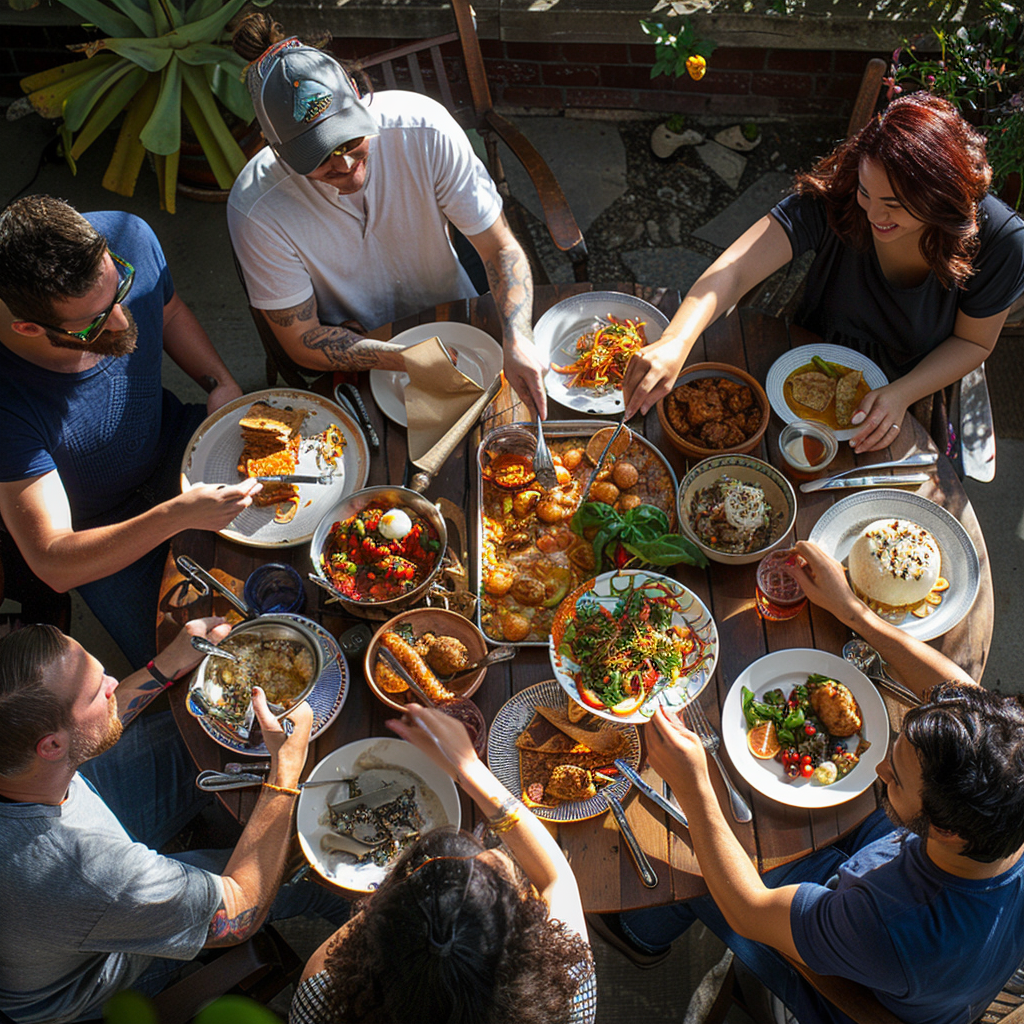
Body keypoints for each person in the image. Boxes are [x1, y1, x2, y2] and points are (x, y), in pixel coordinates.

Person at [590, 540, 1024, 1024]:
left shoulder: (886, 923)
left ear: (945, 828)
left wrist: (694, 789)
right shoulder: (1006, 785)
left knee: (695, 866)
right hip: (901, 901)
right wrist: (853, 611)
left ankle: (639, 935)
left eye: (894, 778)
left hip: (846, 978)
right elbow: (966, 702)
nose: (880, 767)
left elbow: (749, 908)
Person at [622, 93, 1024, 454]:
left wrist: (901, 394)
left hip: (912, 381)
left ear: (943, 197)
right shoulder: (841, 194)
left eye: (896, 205)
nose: (874, 216)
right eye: (867, 192)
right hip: (801, 365)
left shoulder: (1003, 241)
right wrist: (676, 340)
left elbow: (974, 343)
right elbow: (735, 269)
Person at [0, 617, 347, 1024]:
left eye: (101, 672)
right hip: (100, 972)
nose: (113, 683)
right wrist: (285, 771)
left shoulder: (20, 755)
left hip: (69, 865)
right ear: (52, 746)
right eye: (99, 690)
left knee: (191, 737)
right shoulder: (91, 871)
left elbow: (82, 731)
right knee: (309, 861)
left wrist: (164, 666)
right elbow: (239, 914)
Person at [227, 15, 548, 417]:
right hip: (359, 354)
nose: (344, 165)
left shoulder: (425, 129)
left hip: (460, 317)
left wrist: (518, 338)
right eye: (318, 156)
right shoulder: (256, 208)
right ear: (276, 151)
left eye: (350, 139)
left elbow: (500, 249)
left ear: (361, 98)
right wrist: (406, 358)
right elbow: (301, 341)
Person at [0, 195, 261, 669]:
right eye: (95, 322)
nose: (123, 320)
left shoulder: (130, 239)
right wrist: (176, 515)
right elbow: (53, 561)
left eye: (120, 289)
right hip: (103, 533)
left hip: (178, 446)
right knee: (208, 668)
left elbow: (171, 311)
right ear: (28, 326)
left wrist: (219, 383)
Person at [289, 704, 595, 1024]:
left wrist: (468, 770)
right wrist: (470, 768)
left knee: (307, 893)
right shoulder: (569, 995)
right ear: (522, 942)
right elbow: (556, 877)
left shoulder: (320, 998)